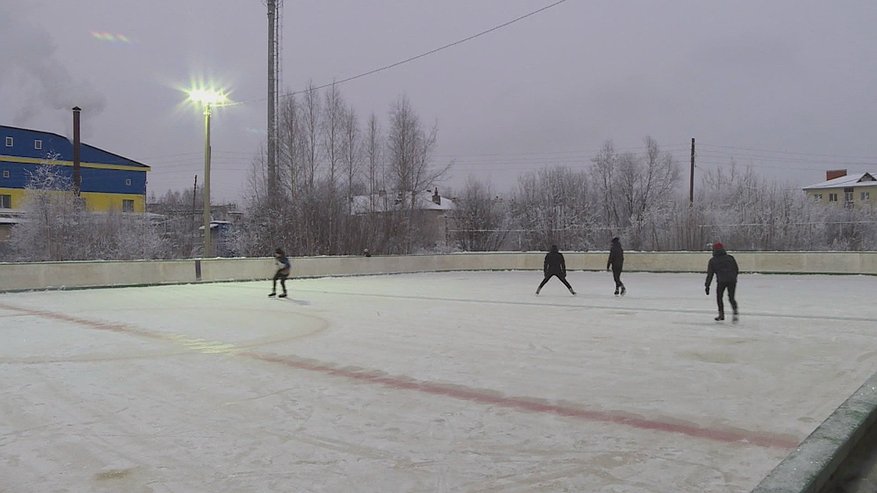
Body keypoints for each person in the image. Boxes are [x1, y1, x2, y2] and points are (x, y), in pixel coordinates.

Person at [704, 242, 739, 321]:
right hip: (732, 280)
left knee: (719, 297)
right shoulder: (730, 258)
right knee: (731, 297)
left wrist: (707, 286)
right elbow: (736, 269)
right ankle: (735, 310)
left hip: (721, 281)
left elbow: (710, 274)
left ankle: (721, 314)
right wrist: (733, 277)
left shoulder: (713, 260)